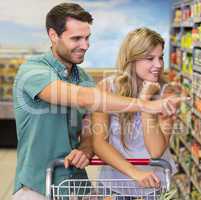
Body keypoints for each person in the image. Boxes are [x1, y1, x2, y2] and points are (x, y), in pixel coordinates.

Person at [12, 3, 184, 200]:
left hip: (75, 183)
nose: (85, 46)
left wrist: (85, 149)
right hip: (38, 184)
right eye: (77, 38)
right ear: (53, 35)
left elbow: (89, 131)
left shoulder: (84, 78)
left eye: (87, 38)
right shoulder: (33, 71)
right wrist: (145, 104)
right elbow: (83, 98)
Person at [92, 27, 180, 199]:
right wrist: (135, 173)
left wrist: (146, 99)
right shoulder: (107, 88)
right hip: (114, 183)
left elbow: (155, 151)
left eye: (160, 57)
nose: (159, 65)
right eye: (150, 58)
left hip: (155, 186)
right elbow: (99, 143)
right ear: (131, 60)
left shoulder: (167, 92)